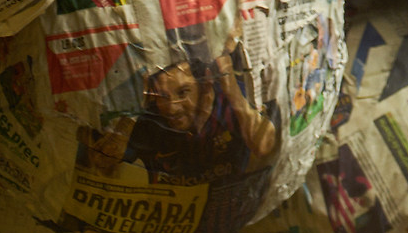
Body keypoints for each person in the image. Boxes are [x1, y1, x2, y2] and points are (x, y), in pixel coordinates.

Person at [78, 41, 280, 185]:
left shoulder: (229, 100)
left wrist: (230, 87)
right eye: (161, 95)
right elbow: (102, 164)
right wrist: (128, 121)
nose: (171, 108)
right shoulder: (151, 120)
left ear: (206, 84)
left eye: (183, 92)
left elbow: (265, 147)